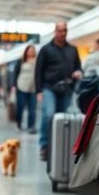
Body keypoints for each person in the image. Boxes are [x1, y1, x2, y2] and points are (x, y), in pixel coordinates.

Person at [35, 22, 83, 160]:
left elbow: (78, 67)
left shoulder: (72, 49)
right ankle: (44, 145)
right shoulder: (46, 49)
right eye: (60, 30)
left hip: (66, 88)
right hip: (49, 87)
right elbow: (38, 70)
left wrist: (78, 72)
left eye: (65, 30)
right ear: (55, 32)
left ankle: (57, 144)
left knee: (62, 118)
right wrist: (39, 91)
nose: (63, 33)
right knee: (49, 115)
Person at [14, 44, 38, 132]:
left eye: (33, 50)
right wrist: (14, 86)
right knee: (20, 107)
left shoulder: (38, 61)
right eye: (29, 50)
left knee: (32, 109)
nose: (31, 52)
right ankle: (18, 124)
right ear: (26, 52)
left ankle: (31, 126)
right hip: (21, 87)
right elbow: (16, 73)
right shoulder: (21, 61)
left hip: (33, 88)